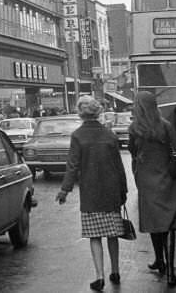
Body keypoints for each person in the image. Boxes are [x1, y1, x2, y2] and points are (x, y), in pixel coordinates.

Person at [56, 95, 128, 291]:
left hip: (91, 192)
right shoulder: (110, 135)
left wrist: (65, 190)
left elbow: (72, 166)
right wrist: (124, 189)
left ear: (81, 113)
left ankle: (99, 276)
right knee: (113, 233)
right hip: (112, 190)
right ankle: (115, 271)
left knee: (95, 235)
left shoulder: (78, 136)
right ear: (98, 112)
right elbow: (119, 166)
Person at [129, 91, 176, 287]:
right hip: (166, 178)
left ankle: (159, 259)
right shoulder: (166, 126)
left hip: (146, 180)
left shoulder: (135, 128)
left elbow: (133, 152)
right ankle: (170, 270)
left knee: (154, 223)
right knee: (168, 224)